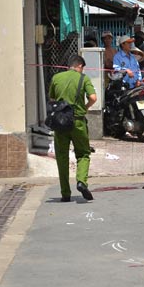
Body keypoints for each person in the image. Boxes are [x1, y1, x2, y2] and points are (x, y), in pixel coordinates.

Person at [48, 55, 97, 201]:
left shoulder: (56, 78)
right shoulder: (83, 79)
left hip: (60, 122)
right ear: (80, 66)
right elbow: (93, 98)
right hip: (78, 122)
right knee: (83, 154)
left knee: (62, 157)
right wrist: (85, 107)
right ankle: (81, 181)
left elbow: (52, 99)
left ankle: (65, 193)